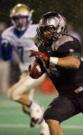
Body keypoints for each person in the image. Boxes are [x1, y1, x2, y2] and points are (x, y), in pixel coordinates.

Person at [1, 3, 49, 135]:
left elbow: (50, 47)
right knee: (25, 108)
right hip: (24, 73)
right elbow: (5, 58)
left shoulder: (37, 30)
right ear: (13, 19)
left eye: (23, 18)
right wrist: (5, 47)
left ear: (29, 18)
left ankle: (36, 107)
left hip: (37, 70)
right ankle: (45, 125)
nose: (20, 21)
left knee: (13, 94)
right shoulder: (8, 34)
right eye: (18, 18)